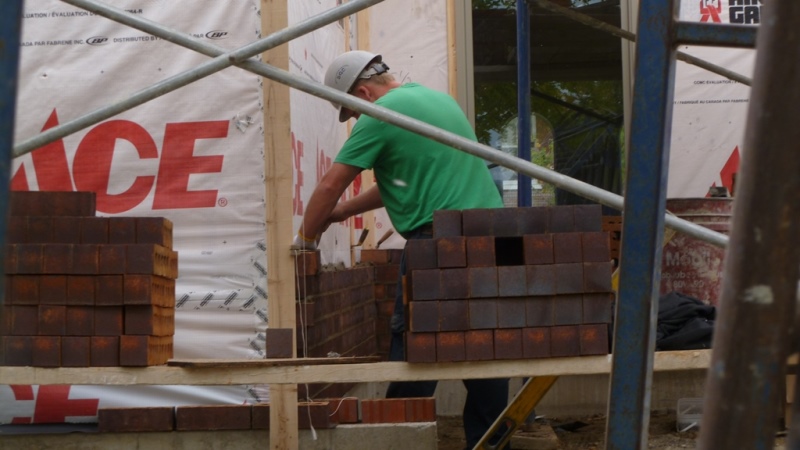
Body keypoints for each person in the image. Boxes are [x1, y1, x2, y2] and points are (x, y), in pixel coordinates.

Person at [292, 50, 509, 449]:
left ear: (362, 93)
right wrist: (341, 214)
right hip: (489, 238)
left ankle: (396, 440)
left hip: (437, 242)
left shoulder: (380, 114)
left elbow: (328, 185)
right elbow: (409, 180)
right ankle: (491, 443)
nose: (355, 119)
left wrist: (304, 241)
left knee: (415, 343)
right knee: (484, 344)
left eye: (352, 110)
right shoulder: (436, 100)